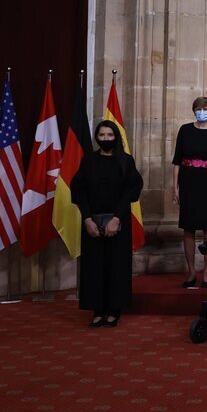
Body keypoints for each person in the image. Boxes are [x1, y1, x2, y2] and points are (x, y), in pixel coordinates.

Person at [72, 121, 144, 327]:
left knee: (116, 266)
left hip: (118, 223)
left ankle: (114, 310)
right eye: (101, 135)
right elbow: (79, 190)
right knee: (94, 266)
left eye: (109, 135)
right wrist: (87, 218)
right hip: (91, 223)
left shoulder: (125, 161)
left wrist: (116, 219)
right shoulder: (88, 161)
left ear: (116, 137)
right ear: (97, 137)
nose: (105, 139)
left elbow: (131, 190)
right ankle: (97, 310)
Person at [172, 96, 207, 289]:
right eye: (199, 108)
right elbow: (177, 161)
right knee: (188, 227)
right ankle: (191, 272)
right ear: (194, 110)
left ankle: (206, 273)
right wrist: (175, 187)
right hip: (188, 181)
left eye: (205, 109)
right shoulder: (185, 130)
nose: (202, 111)